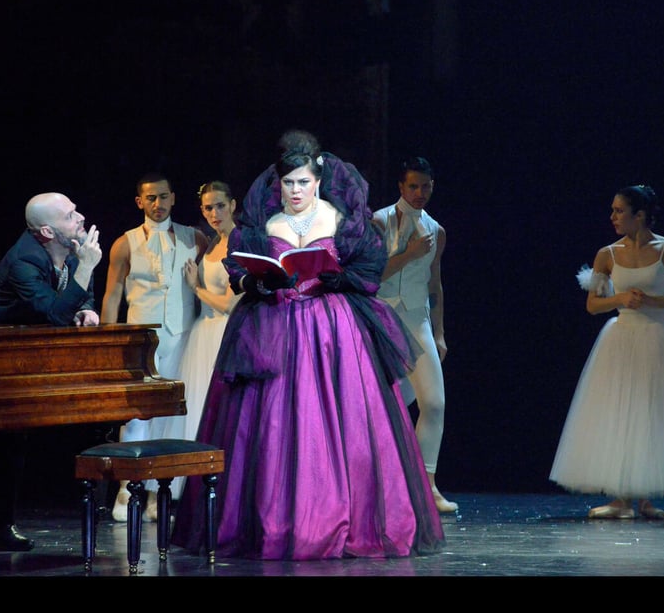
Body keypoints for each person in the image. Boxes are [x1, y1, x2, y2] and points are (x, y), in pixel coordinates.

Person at [171, 130, 445, 560]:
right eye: (288, 183)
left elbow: (369, 270)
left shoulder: (339, 220)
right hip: (274, 326)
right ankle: (270, 522)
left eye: (303, 182)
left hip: (333, 330)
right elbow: (239, 273)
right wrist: (256, 282)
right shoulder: (266, 224)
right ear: (277, 183)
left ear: (318, 180)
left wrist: (341, 279)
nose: (295, 190)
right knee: (271, 424)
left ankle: (342, 518)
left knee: (342, 420)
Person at [0, 192, 102, 551]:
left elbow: (74, 298)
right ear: (47, 231)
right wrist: (87, 269)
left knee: (13, 434)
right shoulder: (23, 260)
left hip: (10, 347)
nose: (79, 217)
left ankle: (4, 527)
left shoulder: (73, 249)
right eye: (69, 215)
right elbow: (55, 313)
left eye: (75, 210)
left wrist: (88, 308)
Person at [549, 185, 664, 519]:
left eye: (619, 211)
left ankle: (646, 497)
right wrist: (620, 299)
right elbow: (593, 304)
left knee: (654, 412)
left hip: (661, 337)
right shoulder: (607, 254)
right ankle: (620, 499)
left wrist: (653, 301)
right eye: (613, 210)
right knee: (620, 411)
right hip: (622, 337)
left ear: (639, 215)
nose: (613, 217)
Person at [101, 172, 208, 522]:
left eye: (163, 196)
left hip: (182, 337)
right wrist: (107, 341)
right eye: (150, 198)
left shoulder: (195, 238)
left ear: (173, 198)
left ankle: (157, 495)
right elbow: (113, 294)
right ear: (139, 202)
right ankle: (125, 488)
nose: (158, 204)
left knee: (172, 416)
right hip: (141, 339)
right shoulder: (125, 242)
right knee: (137, 414)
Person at [372, 156, 457, 514]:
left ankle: (427, 486)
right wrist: (408, 254)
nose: (419, 192)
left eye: (425, 186)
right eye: (413, 186)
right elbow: (372, 274)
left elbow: (435, 283)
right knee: (380, 404)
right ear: (401, 187)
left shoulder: (437, 230)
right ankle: (377, 484)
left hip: (417, 318)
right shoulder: (380, 221)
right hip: (382, 318)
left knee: (433, 403)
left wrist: (439, 332)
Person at [177, 181, 241, 444]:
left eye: (220, 206)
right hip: (202, 332)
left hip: (224, 332)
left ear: (233, 205)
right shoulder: (213, 241)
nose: (215, 214)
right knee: (197, 406)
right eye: (208, 208)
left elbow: (229, 304)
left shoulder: (240, 244)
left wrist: (196, 288)